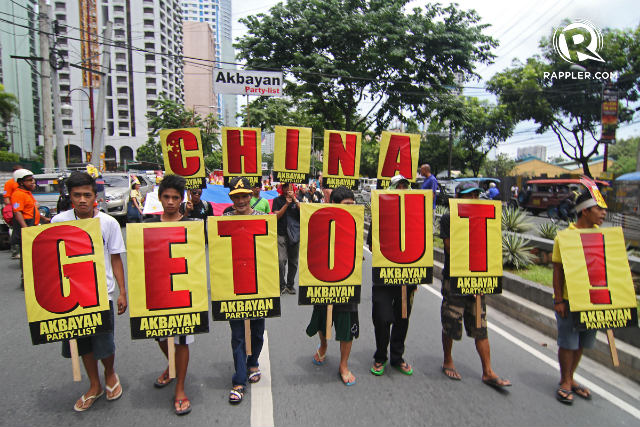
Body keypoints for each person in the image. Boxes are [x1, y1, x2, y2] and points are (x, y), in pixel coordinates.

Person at [50, 172, 127, 411]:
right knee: (82, 343)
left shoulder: (108, 223)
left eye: (87, 195)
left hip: (102, 294)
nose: (82, 199)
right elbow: (52, 261)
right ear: (69, 197)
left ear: (95, 196)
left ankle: (110, 373)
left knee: (104, 343)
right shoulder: (58, 222)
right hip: (72, 296)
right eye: (77, 195)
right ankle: (94, 384)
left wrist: (122, 292)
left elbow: (116, 259)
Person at [439, 182, 511, 388]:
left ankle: (488, 370)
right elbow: (450, 247)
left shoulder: (486, 218)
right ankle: (447, 360)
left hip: (478, 278)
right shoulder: (449, 217)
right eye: (469, 196)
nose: (474, 199)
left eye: (477, 195)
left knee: (480, 324)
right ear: (459, 197)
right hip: (455, 279)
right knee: (451, 321)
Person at [145, 175, 194, 416]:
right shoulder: (147, 224)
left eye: (176, 197)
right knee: (160, 335)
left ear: (182, 199)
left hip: (184, 291)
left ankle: (180, 388)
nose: (171, 202)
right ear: (159, 198)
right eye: (167, 197)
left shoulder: (192, 225)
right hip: (157, 290)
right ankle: (171, 365)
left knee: (182, 340)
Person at [552, 190, 605, 405]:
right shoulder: (565, 237)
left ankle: (571, 378)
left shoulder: (603, 237)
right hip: (570, 300)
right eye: (599, 209)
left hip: (593, 300)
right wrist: (559, 300)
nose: (603, 214)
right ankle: (565, 381)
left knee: (582, 342)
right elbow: (558, 271)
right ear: (585, 211)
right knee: (568, 343)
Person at [307, 186, 359, 386]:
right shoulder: (322, 221)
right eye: (346, 205)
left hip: (347, 281)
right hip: (324, 279)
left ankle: (344, 365)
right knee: (322, 318)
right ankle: (323, 346)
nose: (351, 209)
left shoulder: (356, 222)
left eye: (352, 205)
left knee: (347, 324)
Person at [224, 177, 268, 405]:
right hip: (233, 285)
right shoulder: (223, 219)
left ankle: (253, 362)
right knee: (238, 334)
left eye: (244, 195)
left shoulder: (263, 219)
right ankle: (239, 379)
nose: (240, 200)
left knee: (258, 331)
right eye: (236, 196)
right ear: (230, 198)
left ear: (251, 196)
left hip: (258, 284)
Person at [367, 175, 415, 376]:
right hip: (384, 277)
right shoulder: (380, 214)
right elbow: (371, 244)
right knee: (382, 317)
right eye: (398, 186)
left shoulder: (415, 214)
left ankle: (397, 356)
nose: (402, 189)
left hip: (407, 279)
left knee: (402, 318)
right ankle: (380, 357)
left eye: (405, 186)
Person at [11, 169, 50, 287]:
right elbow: (18, 213)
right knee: (27, 255)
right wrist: (26, 229)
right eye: (29, 180)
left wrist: (45, 220)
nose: (32, 182)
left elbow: (32, 210)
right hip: (26, 227)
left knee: (36, 254)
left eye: (33, 180)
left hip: (33, 226)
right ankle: (26, 280)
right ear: (21, 182)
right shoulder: (18, 194)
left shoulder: (27, 194)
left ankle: (36, 278)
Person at [272, 182, 300, 295]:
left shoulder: (297, 200)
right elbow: (276, 216)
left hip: (294, 235)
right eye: (284, 186)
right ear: (281, 188)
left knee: (293, 262)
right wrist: (286, 205)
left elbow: (303, 212)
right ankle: (281, 285)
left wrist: (294, 199)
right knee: (281, 260)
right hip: (281, 234)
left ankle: (290, 285)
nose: (286, 188)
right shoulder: (277, 200)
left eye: (288, 186)